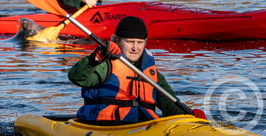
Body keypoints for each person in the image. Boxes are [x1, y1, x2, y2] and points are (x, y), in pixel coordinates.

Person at [67, 15, 205, 125]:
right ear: (116, 40)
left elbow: (169, 105)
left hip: (142, 126)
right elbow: (77, 78)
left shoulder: (152, 73)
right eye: (130, 42)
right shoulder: (104, 64)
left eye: (140, 43)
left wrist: (189, 117)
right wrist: (95, 59)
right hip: (105, 126)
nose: (135, 48)